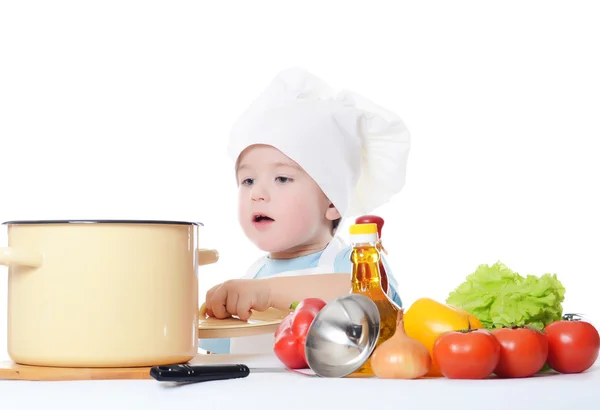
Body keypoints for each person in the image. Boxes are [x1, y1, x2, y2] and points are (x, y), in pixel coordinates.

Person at [199, 67, 411, 354]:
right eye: (247, 180)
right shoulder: (254, 276)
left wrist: (266, 294)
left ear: (333, 202)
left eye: (282, 179)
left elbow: (369, 300)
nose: (257, 194)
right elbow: (230, 349)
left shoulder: (355, 262)